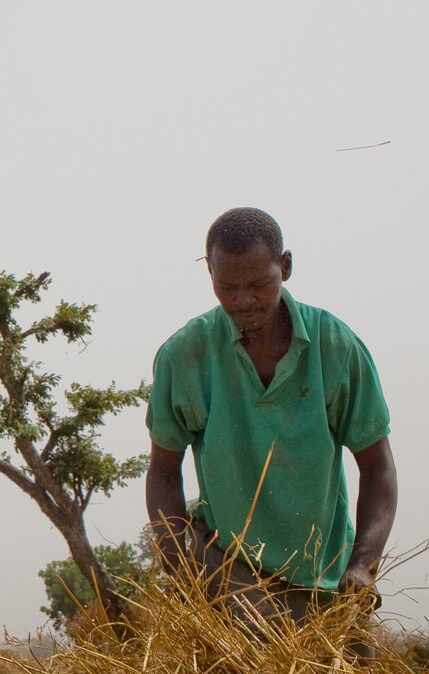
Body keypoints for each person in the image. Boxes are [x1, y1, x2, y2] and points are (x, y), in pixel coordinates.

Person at [145, 207, 397, 625]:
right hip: (227, 574)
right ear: (209, 272)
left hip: (325, 578)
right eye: (227, 287)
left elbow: (377, 468)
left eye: (259, 285)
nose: (243, 301)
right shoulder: (184, 355)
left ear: (286, 266)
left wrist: (362, 567)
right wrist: (181, 568)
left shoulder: (335, 346)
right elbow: (163, 473)